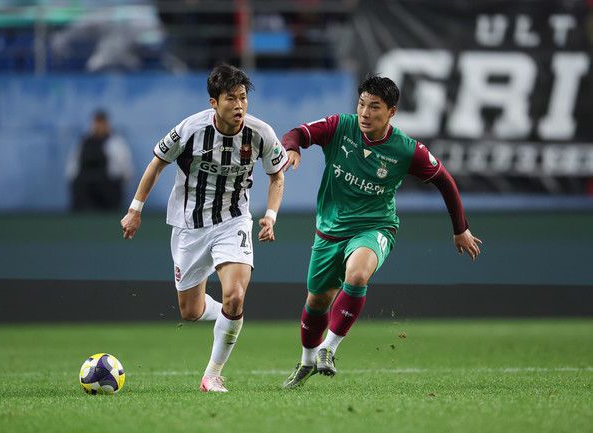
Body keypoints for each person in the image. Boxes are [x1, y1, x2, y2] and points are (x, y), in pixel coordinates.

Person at [280, 73, 482, 389]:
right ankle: (307, 361)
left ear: (391, 112)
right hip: (329, 230)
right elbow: (297, 134)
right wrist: (292, 148)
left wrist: (461, 229)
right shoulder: (339, 126)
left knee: (358, 274)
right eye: (362, 104)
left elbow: (444, 180)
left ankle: (328, 349)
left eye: (374, 107)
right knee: (317, 302)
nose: (365, 113)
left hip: (375, 227)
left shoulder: (406, 149)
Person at [120, 64, 286, 392]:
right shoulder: (190, 129)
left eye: (243, 98)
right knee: (190, 311)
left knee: (235, 296)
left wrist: (271, 215)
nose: (239, 105)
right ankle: (228, 316)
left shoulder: (261, 133)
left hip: (233, 221)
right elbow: (156, 164)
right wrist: (135, 210)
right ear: (214, 102)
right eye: (230, 99)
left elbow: (277, 175)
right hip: (190, 227)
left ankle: (212, 374)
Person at [67, 109, 133, 211]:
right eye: (97, 123)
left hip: (108, 187)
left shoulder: (116, 142)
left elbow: (126, 169)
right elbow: (72, 167)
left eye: (102, 123)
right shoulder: (83, 142)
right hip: (86, 188)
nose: (100, 126)